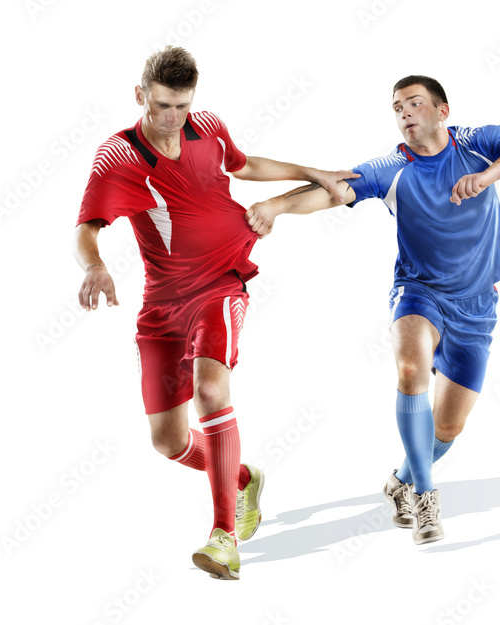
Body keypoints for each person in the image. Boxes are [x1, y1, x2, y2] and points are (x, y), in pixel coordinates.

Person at [72, 46, 357, 578]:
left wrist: (309, 171)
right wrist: (95, 267)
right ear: (140, 97)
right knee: (169, 441)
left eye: (182, 106)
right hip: (161, 304)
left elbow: (244, 165)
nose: (173, 118)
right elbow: (86, 230)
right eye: (161, 106)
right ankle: (243, 479)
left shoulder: (207, 127)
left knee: (211, 390)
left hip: (222, 284)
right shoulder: (119, 157)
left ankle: (223, 535)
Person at [245, 75, 500, 545]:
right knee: (411, 371)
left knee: (448, 426)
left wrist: (486, 177)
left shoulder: (477, 145)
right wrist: (277, 206)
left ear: (442, 111)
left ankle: (401, 479)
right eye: (397, 107)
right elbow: (333, 191)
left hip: (478, 305)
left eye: (414, 103)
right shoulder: (392, 167)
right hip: (418, 293)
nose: (404, 112)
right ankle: (426, 497)